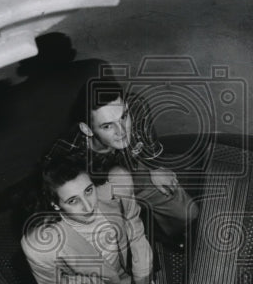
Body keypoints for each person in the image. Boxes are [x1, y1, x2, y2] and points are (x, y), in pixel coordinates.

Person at [20, 154, 182, 284]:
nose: (89, 206)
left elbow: (134, 228)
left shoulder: (116, 186)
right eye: (73, 201)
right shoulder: (38, 244)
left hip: (127, 279)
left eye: (89, 190)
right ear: (55, 204)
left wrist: (142, 276)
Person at [57, 78, 199, 245]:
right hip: (97, 189)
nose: (123, 131)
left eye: (124, 117)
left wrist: (155, 166)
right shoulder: (67, 152)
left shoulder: (135, 106)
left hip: (134, 168)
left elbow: (147, 141)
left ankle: (164, 232)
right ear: (87, 129)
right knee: (115, 240)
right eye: (108, 126)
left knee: (188, 214)